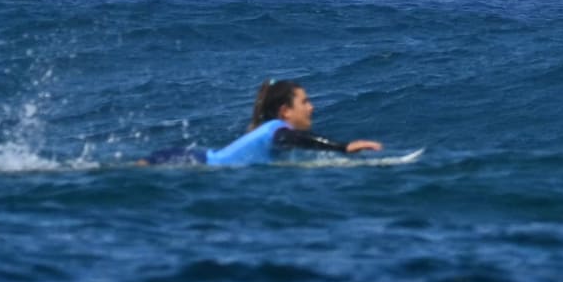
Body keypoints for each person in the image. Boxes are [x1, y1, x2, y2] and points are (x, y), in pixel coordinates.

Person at [141, 80, 382, 166]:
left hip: (189, 158)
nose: (312, 107)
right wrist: (343, 147)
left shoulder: (270, 130)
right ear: (285, 111)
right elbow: (294, 139)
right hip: (186, 161)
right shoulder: (278, 130)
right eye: (305, 102)